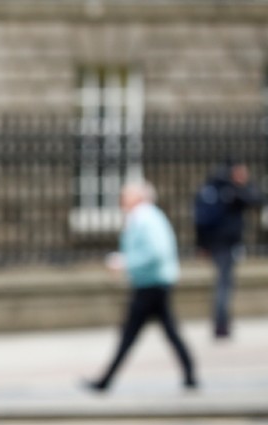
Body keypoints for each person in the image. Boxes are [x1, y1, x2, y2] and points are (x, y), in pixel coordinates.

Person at [84, 181, 196, 393]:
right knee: (167, 332)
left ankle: (105, 381)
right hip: (153, 283)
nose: (122, 199)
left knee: (130, 335)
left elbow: (156, 252)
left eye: (126, 195)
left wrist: (125, 263)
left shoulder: (145, 218)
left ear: (139, 197)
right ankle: (190, 375)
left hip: (151, 284)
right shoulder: (146, 217)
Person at [194, 159, 263, 338]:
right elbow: (254, 199)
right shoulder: (230, 191)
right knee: (224, 284)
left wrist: (202, 244)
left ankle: (222, 321)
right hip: (224, 244)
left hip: (220, 243)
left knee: (224, 282)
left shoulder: (215, 188)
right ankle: (221, 323)